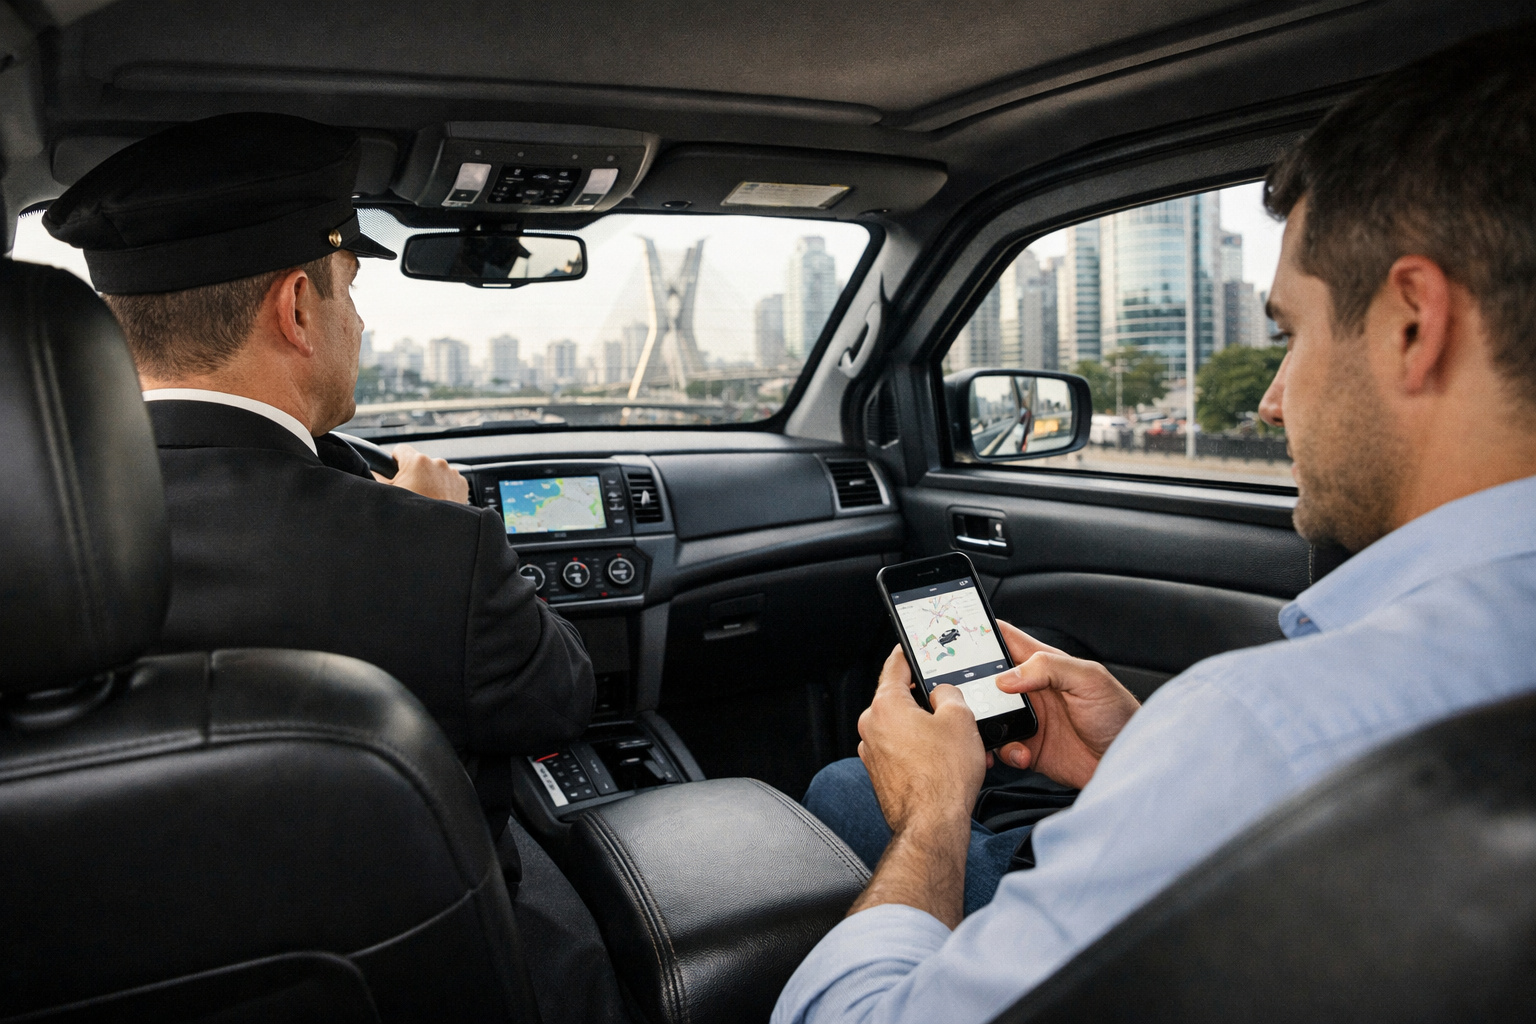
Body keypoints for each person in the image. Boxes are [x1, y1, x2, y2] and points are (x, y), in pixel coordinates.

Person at [775, 25, 1536, 1024]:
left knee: (842, 791)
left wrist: (933, 816)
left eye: (1291, 333)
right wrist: (1141, 762)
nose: (1273, 400)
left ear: (1411, 324)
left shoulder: (1266, 731)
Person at [43, 112, 625, 1024]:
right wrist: (451, 524)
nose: (360, 317)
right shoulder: (432, 548)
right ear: (297, 309)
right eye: (350, 287)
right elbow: (558, 701)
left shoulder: (31, 556)